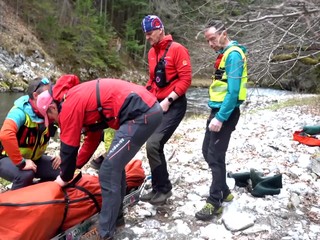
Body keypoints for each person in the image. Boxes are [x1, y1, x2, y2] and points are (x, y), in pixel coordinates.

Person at [36, 77, 163, 240]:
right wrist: (76, 166)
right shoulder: (72, 98)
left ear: (52, 107)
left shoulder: (68, 105)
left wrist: (63, 179)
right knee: (114, 167)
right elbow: (93, 139)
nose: (54, 122)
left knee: (108, 171)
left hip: (141, 114)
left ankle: (105, 234)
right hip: (146, 110)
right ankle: (116, 220)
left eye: (51, 118)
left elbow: (68, 147)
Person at [195, 20, 247, 221]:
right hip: (217, 110)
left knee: (215, 155)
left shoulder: (233, 56)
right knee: (207, 151)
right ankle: (224, 190)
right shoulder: (224, 55)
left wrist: (220, 118)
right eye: (208, 41)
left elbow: (233, 92)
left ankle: (214, 201)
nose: (211, 44)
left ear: (224, 34)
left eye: (212, 39)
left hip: (225, 113)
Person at [140, 15, 192, 205]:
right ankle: (158, 187)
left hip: (175, 104)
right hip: (158, 103)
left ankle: (164, 189)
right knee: (153, 145)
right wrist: (144, 94)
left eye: (150, 33)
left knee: (153, 144)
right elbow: (153, 81)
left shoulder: (178, 50)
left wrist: (169, 100)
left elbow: (186, 80)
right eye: (145, 34)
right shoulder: (152, 53)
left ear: (160, 29)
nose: (147, 37)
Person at [0, 77, 60, 190]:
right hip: (6, 159)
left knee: (61, 169)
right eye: (48, 95)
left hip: (34, 159)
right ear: (36, 96)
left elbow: (68, 129)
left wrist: (62, 154)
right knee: (26, 174)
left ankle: (38, 197)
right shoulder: (19, 111)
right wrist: (21, 163)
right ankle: (12, 204)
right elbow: (5, 135)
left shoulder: (50, 111)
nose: (52, 99)